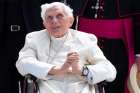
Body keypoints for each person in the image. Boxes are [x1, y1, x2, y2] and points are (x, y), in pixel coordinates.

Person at [16, 2, 116, 93]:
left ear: (70, 21)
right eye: (49, 18)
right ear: (44, 24)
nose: (54, 21)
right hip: (48, 88)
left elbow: (110, 71)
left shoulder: (86, 39)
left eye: (59, 16)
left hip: (80, 88)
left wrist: (81, 70)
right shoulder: (34, 38)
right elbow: (22, 63)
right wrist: (56, 70)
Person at [64, 0, 140, 93]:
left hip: (117, 45)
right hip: (84, 42)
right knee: (83, 81)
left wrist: (139, 53)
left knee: (116, 80)